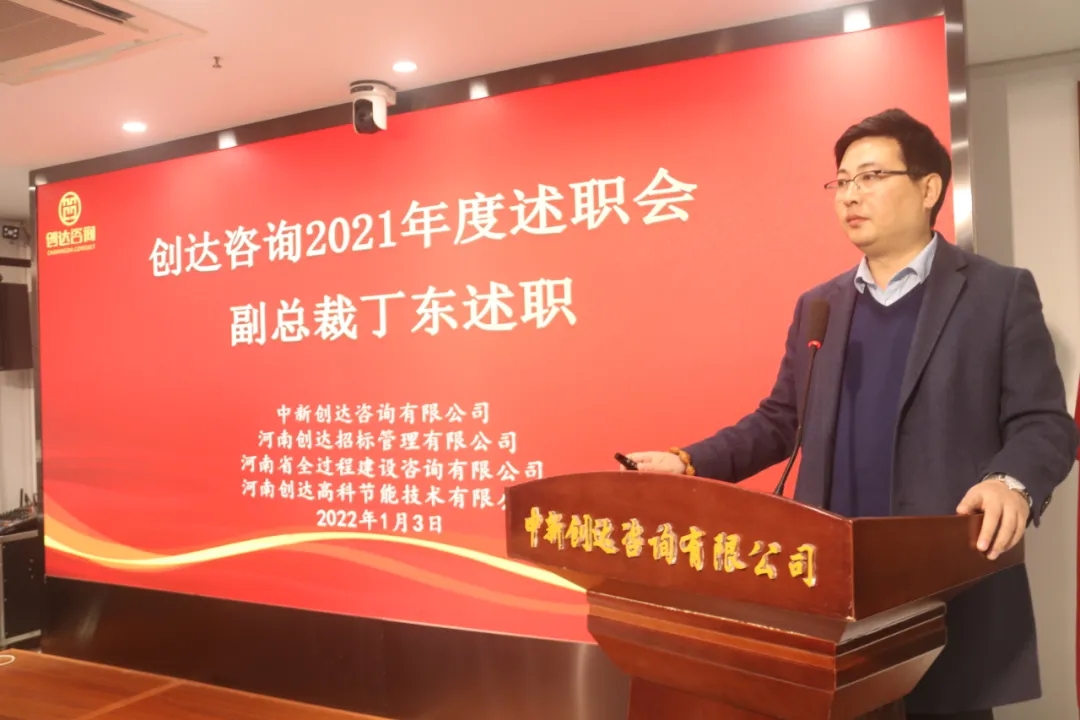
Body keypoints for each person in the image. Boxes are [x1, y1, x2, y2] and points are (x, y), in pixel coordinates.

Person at [625, 108, 1078, 720]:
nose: (849, 195)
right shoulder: (821, 306)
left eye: (870, 176)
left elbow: (1044, 422)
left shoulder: (997, 293)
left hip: (944, 586)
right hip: (833, 596)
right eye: (841, 181)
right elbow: (781, 420)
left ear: (928, 188)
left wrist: (1010, 481)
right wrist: (687, 463)